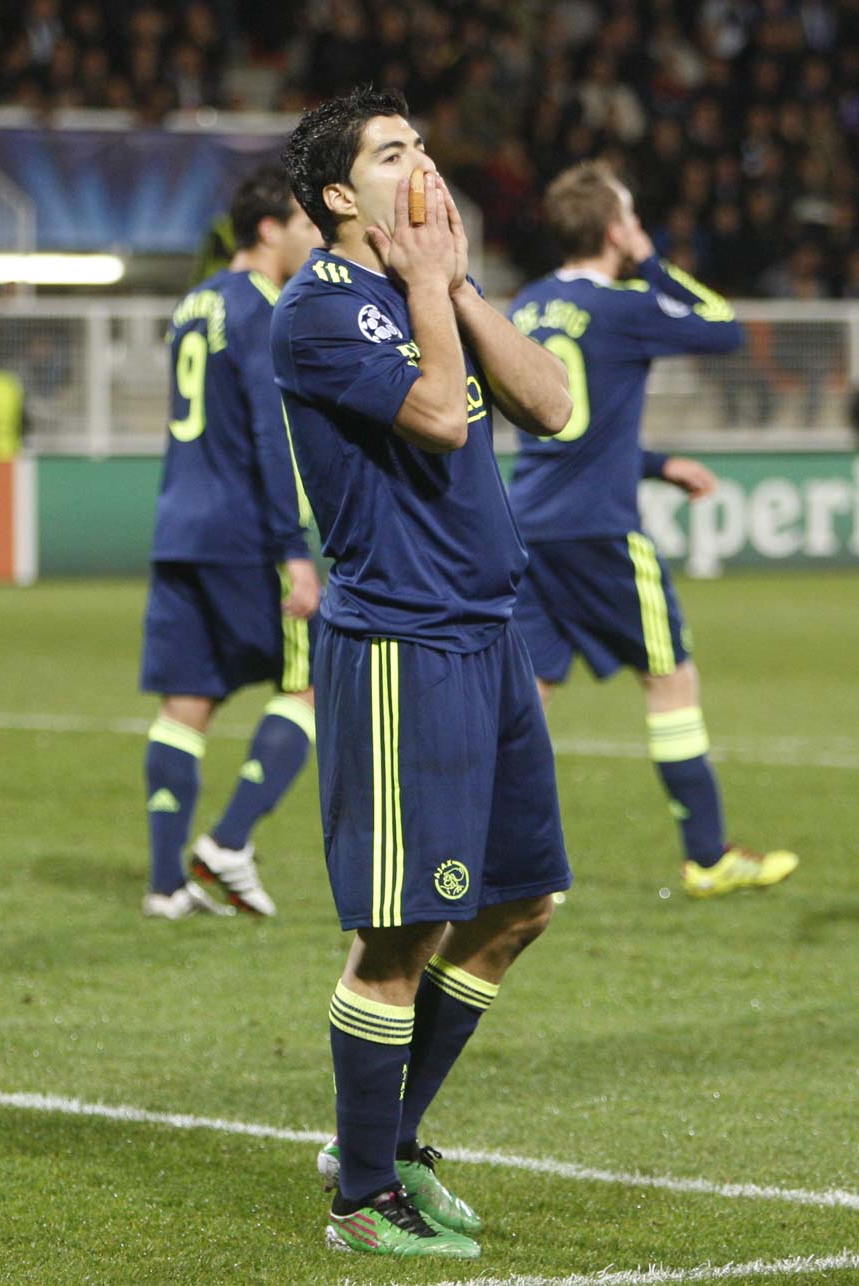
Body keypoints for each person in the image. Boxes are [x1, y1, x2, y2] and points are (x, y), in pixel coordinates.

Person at [272, 87, 573, 1260]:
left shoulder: (433, 287)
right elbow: (444, 414)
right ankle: (359, 1196)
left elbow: (551, 402)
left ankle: (388, 1144)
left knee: (519, 904)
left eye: (424, 145)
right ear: (340, 195)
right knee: (403, 929)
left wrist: (450, 285)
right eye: (393, 152)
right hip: (401, 643)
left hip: (490, 634)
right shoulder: (318, 310)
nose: (424, 164)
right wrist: (432, 286)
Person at [507, 161, 798, 899]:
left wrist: (660, 464)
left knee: (529, 696)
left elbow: (571, 431)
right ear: (615, 230)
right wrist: (651, 261)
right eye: (631, 219)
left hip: (529, 525)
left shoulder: (528, 305)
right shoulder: (625, 304)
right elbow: (725, 329)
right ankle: (707, 856)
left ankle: (490, 853)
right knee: (670, 678)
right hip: (600, 531)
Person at [139, 164, 323, 920]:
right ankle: (229, 843)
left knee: (186, 703)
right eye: (305, 224)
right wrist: (294, 548)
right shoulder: (261, 309)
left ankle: (164, 887)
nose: (316, 238)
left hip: (179, 528)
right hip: (242, 531)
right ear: (269, 229)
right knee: (310, 682)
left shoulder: (195, 303)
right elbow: (271, 436)